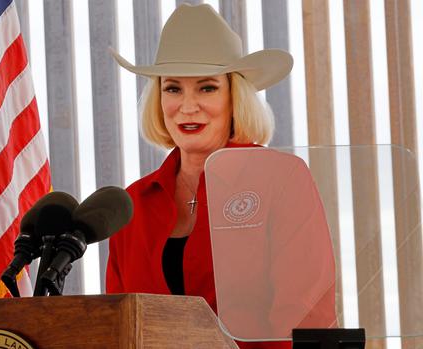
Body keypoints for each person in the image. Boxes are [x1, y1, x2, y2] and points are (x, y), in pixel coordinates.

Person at [106, 4, 336, 348]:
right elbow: (119, 326)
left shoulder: (280, 178)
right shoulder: (131, 204)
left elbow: (305, 315)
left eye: (207, 88)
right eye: (173, 88)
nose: (187, 106)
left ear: (235, 97)